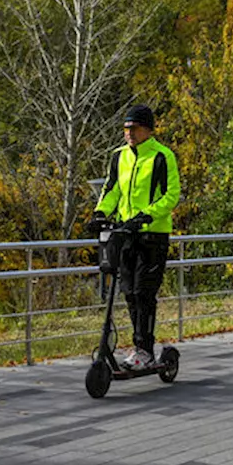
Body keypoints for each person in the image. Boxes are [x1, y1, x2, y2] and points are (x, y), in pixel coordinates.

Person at [91, 104, 181, 370]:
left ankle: (145, 350)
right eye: (126, 128)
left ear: (148, 130)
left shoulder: (162, 157)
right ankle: (139, 348)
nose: (129, 133)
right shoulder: (119, 157)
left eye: (134, 128)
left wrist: (145, 216)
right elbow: (112, 189)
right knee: (129, 292)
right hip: (125, 233)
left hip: (152, 235)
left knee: (144, 292)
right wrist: (100, 213)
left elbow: (171, 195)